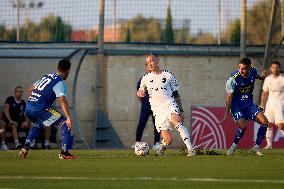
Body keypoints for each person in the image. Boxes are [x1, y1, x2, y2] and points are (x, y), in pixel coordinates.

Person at [137, 53, 196, 156]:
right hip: (158, 111)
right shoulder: (145, 79)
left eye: (151, 60)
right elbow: (140, 91)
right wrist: (139, 93)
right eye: (147, 62)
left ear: (157, 60)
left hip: (170, 104)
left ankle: (190, 149)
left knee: (176, 121)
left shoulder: (168, 75)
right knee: (168, 140)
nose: (150, 63)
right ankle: (161, 147)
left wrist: (181, 110)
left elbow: (176, 94)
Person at [19, 59, 75, 160]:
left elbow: (30, 89)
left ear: (58, 68)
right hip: (41, 108)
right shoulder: (60, 83)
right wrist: (68, 117)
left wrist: (37, 99)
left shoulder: (47, 76)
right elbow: (63, 100)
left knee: (37, 124)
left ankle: (25, 148)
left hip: (29, 107)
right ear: (68, 71)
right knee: (64, 123)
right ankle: (64, 153)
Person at [219, 57, 269, 156]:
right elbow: (229, 97)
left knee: (265, 122)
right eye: (240, 68)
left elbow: (257, 76)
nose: (241, 71)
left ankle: (256, 146)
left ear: (249, 67)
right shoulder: (233, 78)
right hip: (236, 105)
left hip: (249, 104)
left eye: (244, 68)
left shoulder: (253, 71)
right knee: (243, 126)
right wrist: (226, 112)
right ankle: (234, 145)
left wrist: (263, 76)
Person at [133, 67, 160, 150]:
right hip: (146, 106)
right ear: (146, 68)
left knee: (157, 125)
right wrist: (145, 102)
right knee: (141, 123)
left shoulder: (159, 79)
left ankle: (157, 143)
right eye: (149, 66)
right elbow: (139, 93)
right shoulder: (143, 79)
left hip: (156, 106)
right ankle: (137, 142)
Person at [260, 61, 284, 149]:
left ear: (279, 68)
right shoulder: (268, 79)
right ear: (271, 68)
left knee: (280, 125)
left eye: (276, 67)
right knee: (268, 124)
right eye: (273, 67)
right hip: (270, 105)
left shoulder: (282, 79)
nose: (275, 69)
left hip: (280, 104)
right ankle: (269, 145)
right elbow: (264, 93)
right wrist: (262, 105)